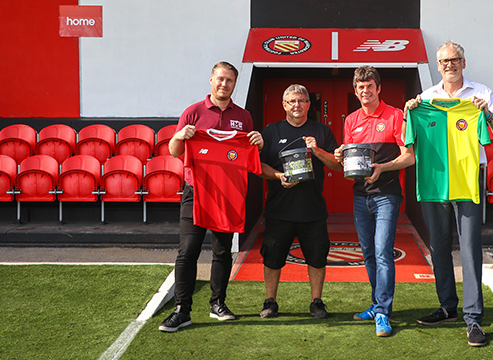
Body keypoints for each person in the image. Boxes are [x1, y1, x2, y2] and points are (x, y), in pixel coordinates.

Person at [405, 42, 493, 347]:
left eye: (454, 59)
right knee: (438, 246)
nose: (449, 64)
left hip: (467, 178)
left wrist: (486, 114)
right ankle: (447, 306)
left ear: (464, 62)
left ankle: (473, 317)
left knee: (469, 247)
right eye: (443, 60)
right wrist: (408, 113)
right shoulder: (425, 99)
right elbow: (407, 142)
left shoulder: (482, 94)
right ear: (437, 66)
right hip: (435, 179)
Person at [159, 61, 264, 332]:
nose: (224, 84)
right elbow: (173, 151)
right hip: (196, 191)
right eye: (220, 79)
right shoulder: (193, 112)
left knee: (222, 251)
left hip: (227, 193)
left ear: (234, 84)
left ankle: (218, 303)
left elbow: (250, 155)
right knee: (187, 252)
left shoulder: (243, 117)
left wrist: (256, 142)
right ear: (211, 80)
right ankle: (182, 310)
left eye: (229, 80)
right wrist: (181, 135)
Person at [334, 66, 415, 337]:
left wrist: (383, 167)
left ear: (379, 89)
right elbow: (349, 159)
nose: (365, 91)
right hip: (360, 196)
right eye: (360, 88)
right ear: (355, 91)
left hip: (387, 197)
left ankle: (383, 312)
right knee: (368, 254)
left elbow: (409, 156)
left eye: (369, 86)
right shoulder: (351, 120)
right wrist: (340, 157)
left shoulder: (395, 116)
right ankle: (377, 303)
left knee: (382, 252)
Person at [258, 84, 341, 319]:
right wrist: (278, 176)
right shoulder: (271, 132)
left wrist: (317, 150)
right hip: (279, 208)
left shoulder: (322, 131)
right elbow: (258, 166)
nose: (297, 105)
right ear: (284, 105)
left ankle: (316, 302)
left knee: (317, 257)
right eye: (292, 101)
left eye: (302, 101)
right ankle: (270, 301)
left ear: (309, 104)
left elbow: (337, 164)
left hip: (312, 209)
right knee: (273, 258)